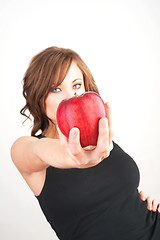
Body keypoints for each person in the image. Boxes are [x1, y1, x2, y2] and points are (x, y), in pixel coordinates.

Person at [11, 46, 160, 240]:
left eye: (76, 85)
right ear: (38, 96)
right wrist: (72, 156)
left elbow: (120, 200)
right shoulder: (27, 149)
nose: (70, 96)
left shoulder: (100, 140)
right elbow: (40, 151)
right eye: (56, 89)